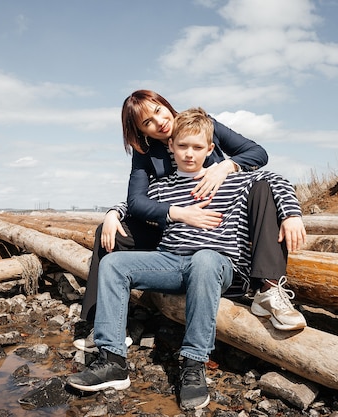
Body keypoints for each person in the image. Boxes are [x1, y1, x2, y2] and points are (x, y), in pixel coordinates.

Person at [67, 108, 306, 411]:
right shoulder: (163, 185)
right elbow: (135, 202)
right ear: (171, 148)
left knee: (205, 259)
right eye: (182, 147)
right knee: (114, 264)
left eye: (197, 147)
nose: (189, 154)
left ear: (210, 149)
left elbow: (275, 179)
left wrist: (292, 215)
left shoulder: (232, 180)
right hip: (172, 263)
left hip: (216, 266)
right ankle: (113, 359)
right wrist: (113, 213)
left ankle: (193, 364)